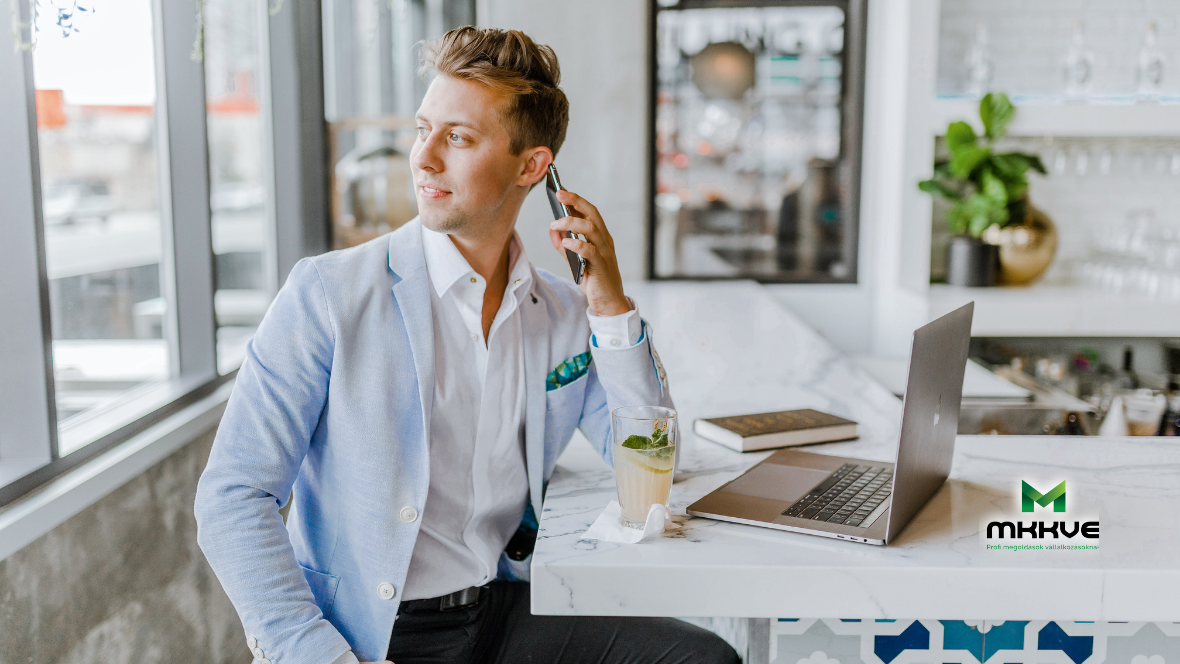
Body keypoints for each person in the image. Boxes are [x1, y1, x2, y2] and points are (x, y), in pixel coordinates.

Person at [194, 25, 739, 664]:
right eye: (423, 129)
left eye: (457, 137)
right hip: (371, 632)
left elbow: (650, 463)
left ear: (534, 167)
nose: (423, 159)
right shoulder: (328, 295)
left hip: (500, 610)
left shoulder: (562, 315)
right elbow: (232, 497)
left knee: (701, 659)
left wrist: (608, 305)